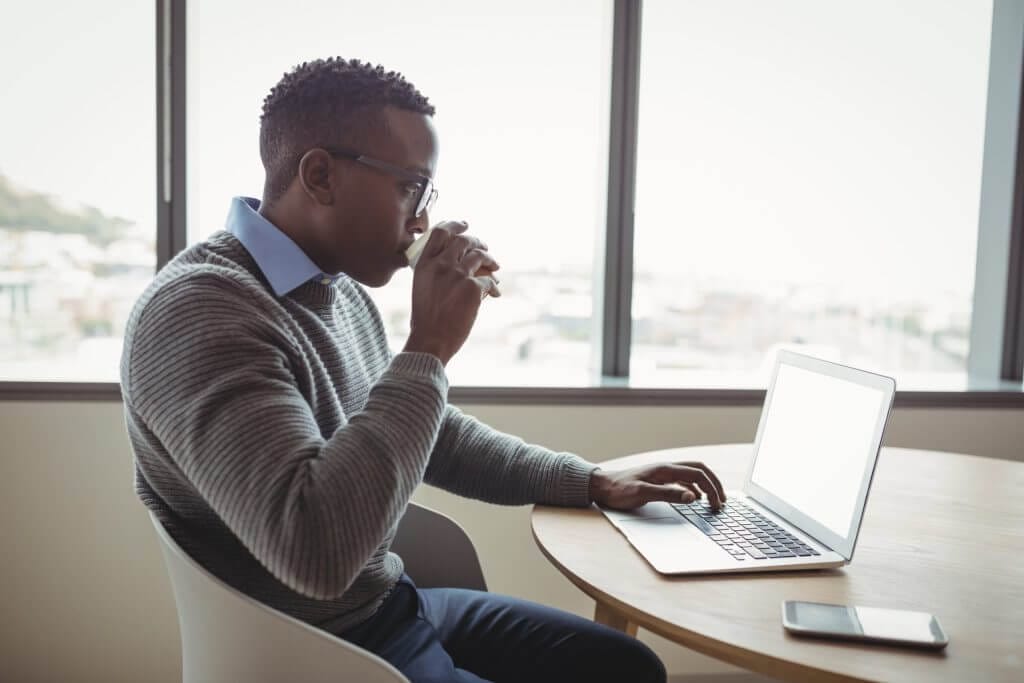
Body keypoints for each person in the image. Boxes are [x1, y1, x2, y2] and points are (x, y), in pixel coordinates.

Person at [120, 57, 726, 683]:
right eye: (410, 186)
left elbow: (425, 431)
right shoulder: (202, 311)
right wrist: (429, 345)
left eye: (426, 193)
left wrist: (591, 482)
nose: (421, 220)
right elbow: (316, 552)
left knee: (625, 666)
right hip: (315, 645)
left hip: (390, 605)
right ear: (321, 175)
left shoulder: (337, 291)